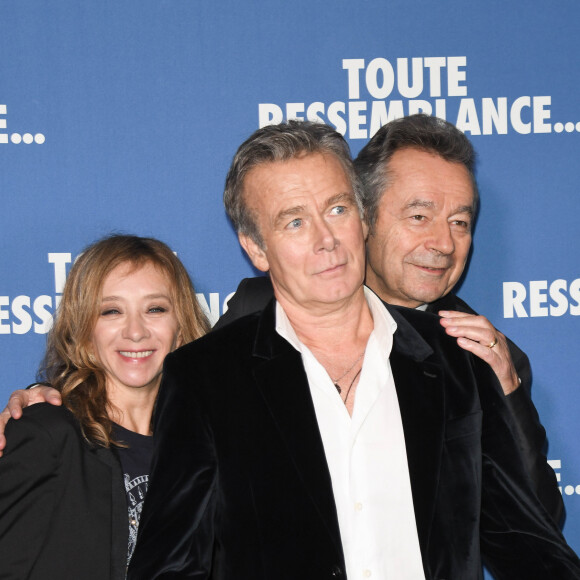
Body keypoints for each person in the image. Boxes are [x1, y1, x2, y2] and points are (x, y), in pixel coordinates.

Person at [128, 121, 580, 579]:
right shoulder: (207, 377)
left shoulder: (458, 362)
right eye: (296, 221)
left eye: (338, 208)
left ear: (363, 218)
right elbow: (169, 566)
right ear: (256, 248)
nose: (327, 239)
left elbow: (525, 542)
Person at [212, 114, 562, 523]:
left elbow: (538, 526)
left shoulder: (483, 358)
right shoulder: (262, 312)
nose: (444, 243)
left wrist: (504, 394)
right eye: (419, 217)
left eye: (460, 223)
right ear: (364, 218)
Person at [0, 234, 209, 579]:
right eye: (112, 311)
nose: (136, 331)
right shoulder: (47, 435)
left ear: (182, 327)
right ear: (84, 329)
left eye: (155, 309)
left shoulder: (205, 444)